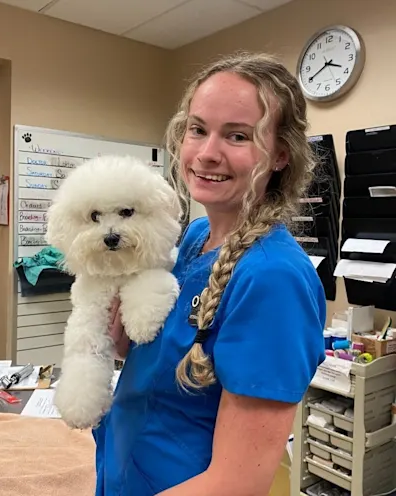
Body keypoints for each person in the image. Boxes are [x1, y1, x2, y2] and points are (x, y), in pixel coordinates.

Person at [93, 52, 327, 496]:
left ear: (279, 155)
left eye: (237, 136)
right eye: (197, 130)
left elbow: (236, 484)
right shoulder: (195, 236)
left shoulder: (273, 279)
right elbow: (163, 365)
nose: (206, 153)